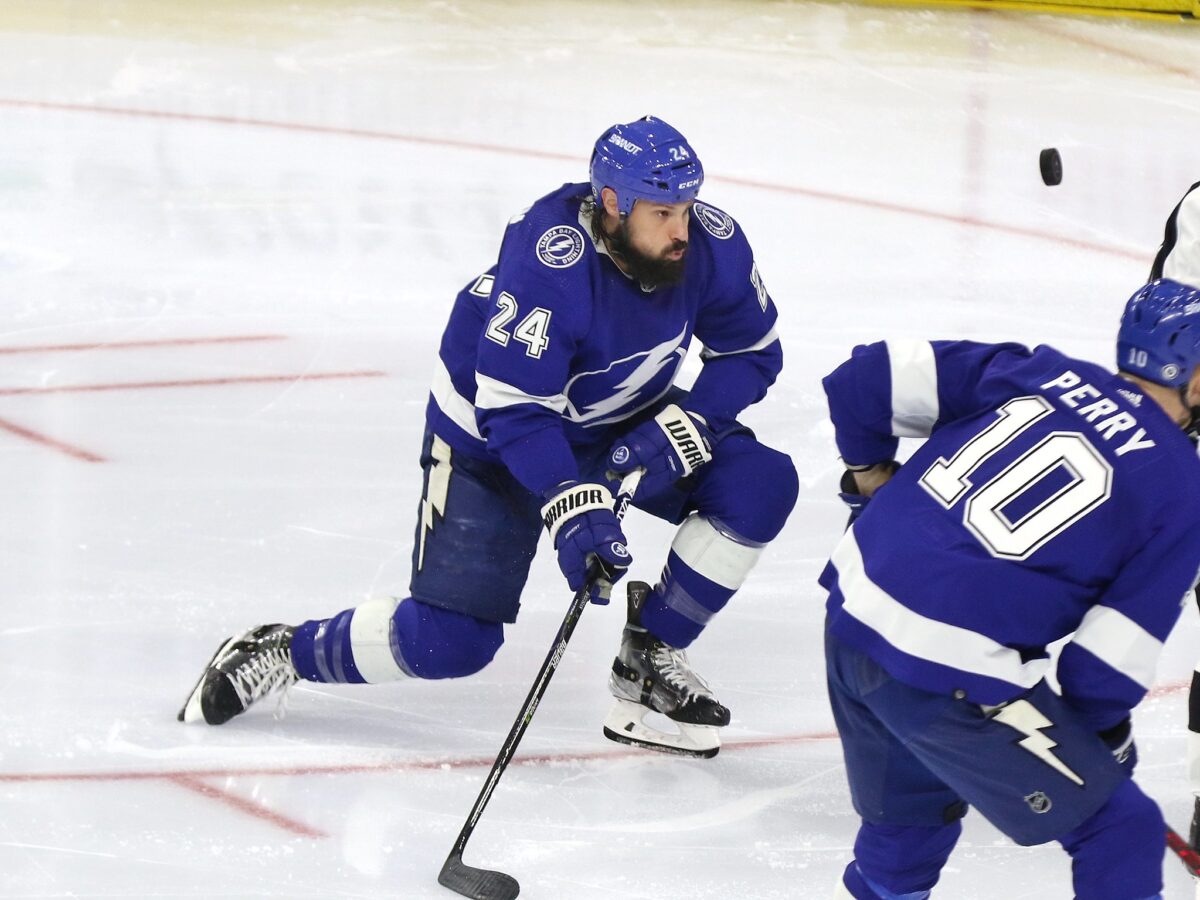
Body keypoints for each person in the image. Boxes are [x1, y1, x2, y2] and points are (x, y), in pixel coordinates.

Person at [178, 115, 798, 759]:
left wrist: (690, 421)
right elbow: (517, 414)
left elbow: (753, 353)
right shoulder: (549, 265)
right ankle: (283, 651)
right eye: (665, 212)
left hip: (613, 411)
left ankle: (650, 655)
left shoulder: (711, 247)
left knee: (760, 485)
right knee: (450, 643)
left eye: (688, 209)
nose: (682, 230)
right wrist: (570, 502)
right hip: (494, 433)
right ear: (613, 203)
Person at [820, 278, 1200, 900]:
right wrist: (1100, 744)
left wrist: (871, 473)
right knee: (1120, 828)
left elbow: (864, 377)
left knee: (911, 821)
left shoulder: (1041, 371)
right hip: (950, 668)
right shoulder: (1181, 487)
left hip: (852, 616)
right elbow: (1103, 669)